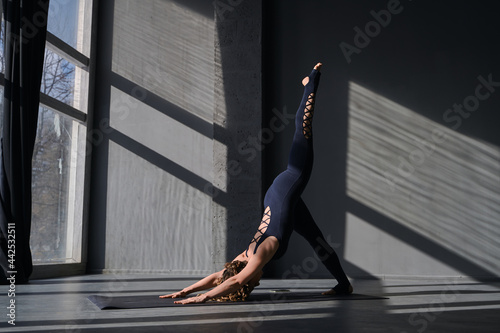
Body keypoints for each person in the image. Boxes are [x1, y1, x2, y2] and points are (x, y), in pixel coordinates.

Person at [159, 63, 352, 304]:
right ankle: (344, 285)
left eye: (254, 282)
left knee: (302, 132)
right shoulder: (241, 258)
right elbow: (220, 276)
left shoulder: (260, 253)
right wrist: (185, 291)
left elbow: (235, 281)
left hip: (285, 189)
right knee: (316, 239)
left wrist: (202, 298)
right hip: (280, 202)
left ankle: (311, 83)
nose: (257, 281)